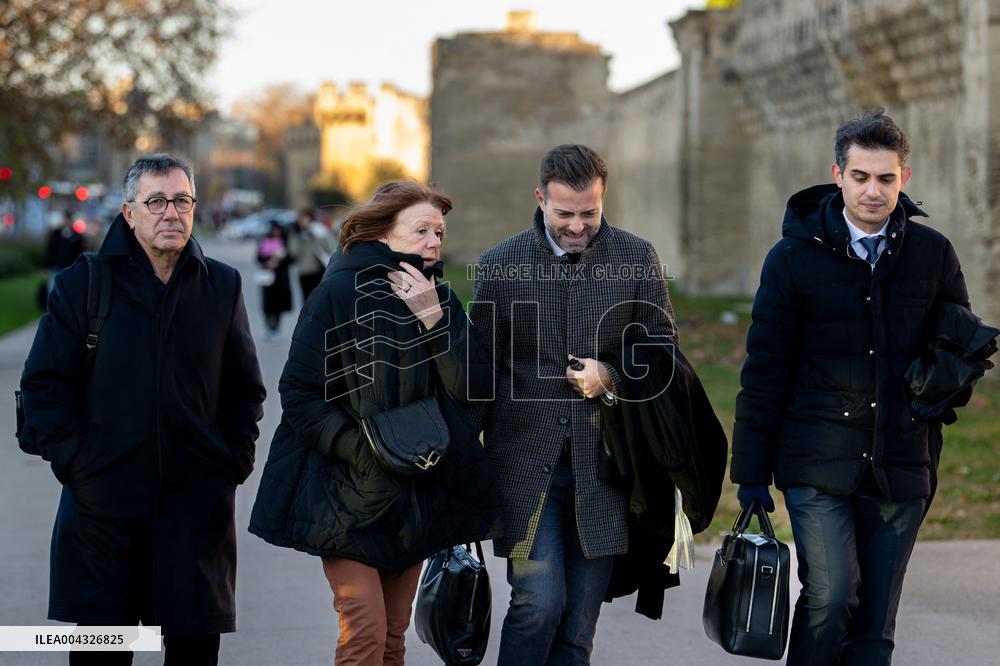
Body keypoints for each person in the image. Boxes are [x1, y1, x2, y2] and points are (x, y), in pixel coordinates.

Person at [731, 110, 976, 666]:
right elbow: (765, 370)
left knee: (874, 626)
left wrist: (940, 390)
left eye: (886, 178)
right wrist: (749, 475)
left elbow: (959, 349)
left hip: (901, 461)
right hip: (816, 461)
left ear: (904, 178)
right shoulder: (792, 259)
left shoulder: (932, 253)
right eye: (861, 176)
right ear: (837, 174)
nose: (873, 190)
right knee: (831, 596)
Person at [18, 153, 266, 665]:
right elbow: (44, 386)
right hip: (103, 513)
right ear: (129, 213)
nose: (170, 212)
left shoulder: (222, 285)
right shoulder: (82, 284)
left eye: (182, 200)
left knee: (192, 653)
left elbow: (245, 389)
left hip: (195, 512)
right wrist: (82, 465)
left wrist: (229, 462)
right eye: (156, 201)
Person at [249, 181, 503, 665]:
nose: (433, 241)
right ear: (383, 233)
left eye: (439, 232)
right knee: (363, 633)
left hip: (417, 496)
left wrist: (434, 320)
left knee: (391, 638)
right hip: (347, 498)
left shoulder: (440, 300)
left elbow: (474, 390)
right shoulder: (339, 293)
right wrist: (362, 454)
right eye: (421, 230)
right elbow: (300, 395)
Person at [469, 144, 677, 664]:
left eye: (590, 212)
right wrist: (461, 468)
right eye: (564, 213)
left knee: (578, 629)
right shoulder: (499, 264)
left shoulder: (636, 256)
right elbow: (478, 374)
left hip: (607, 469)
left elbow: (663, 349)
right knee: (539, 603)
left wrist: (611, 374)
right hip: (524, 467)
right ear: (540, 199)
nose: (579, 225)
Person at [257, 219, 293, 340]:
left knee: (279, 305)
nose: (276, 232)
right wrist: (269, 262)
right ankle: (267, 327)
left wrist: (280, 260)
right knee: (267, 303)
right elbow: (258, 258)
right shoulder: (264, 241)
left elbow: (291, 259)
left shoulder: (285, 242)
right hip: (267, 277)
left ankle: (276, 328)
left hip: (281, 278)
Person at [287, 207, 334, 302]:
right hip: (303, 270)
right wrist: (300, 236)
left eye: (307, 218)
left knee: (319, 297)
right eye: (302, 218)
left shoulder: (316, 231)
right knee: (306, 299)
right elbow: (293, 252)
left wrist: (317, 234)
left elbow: (327, 247)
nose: (304, 221)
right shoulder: (295, 233)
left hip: (317, 269)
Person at [44, 210, 87, 290]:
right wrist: (47, 266)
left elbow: (81, 251)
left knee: (68, 289)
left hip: (70, 267)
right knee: (53, 289)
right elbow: (50, 250)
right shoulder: (55, 234)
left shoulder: (77, 236)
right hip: (56, 266)